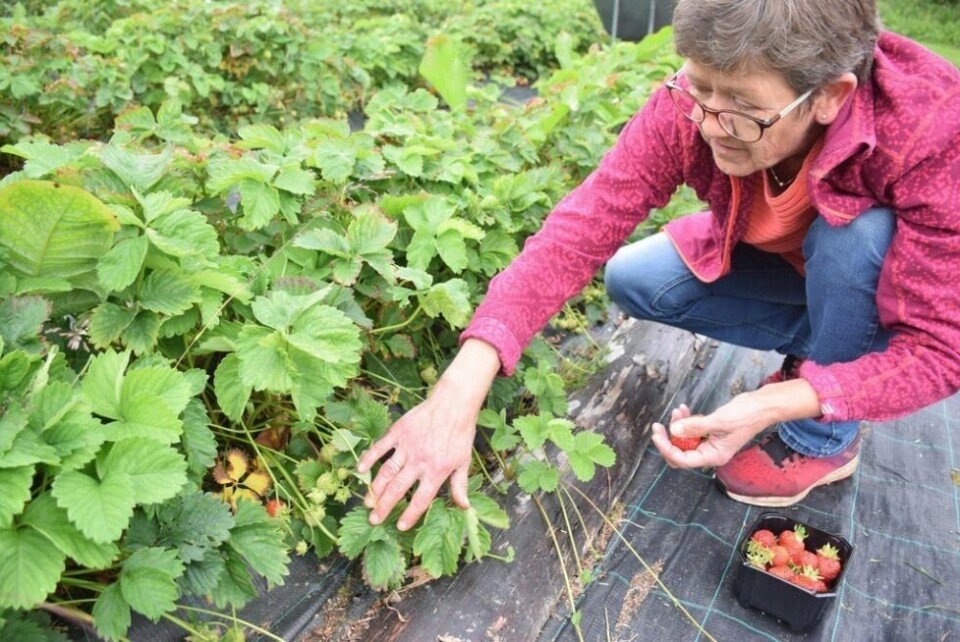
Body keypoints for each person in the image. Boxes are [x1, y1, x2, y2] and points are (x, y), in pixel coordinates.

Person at [358, 0, 960, 529]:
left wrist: (781, 403)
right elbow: (580, 228)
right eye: (699, 88)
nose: (706, 121)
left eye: (742, 108)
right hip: (789, 268)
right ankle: (837, 347)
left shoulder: (928, 126)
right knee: (634, 278)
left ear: (829, 97)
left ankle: (823, 435)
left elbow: (941, 350)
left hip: (876, 278)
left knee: (854, 236)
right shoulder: (694, 105)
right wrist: (460, 387)